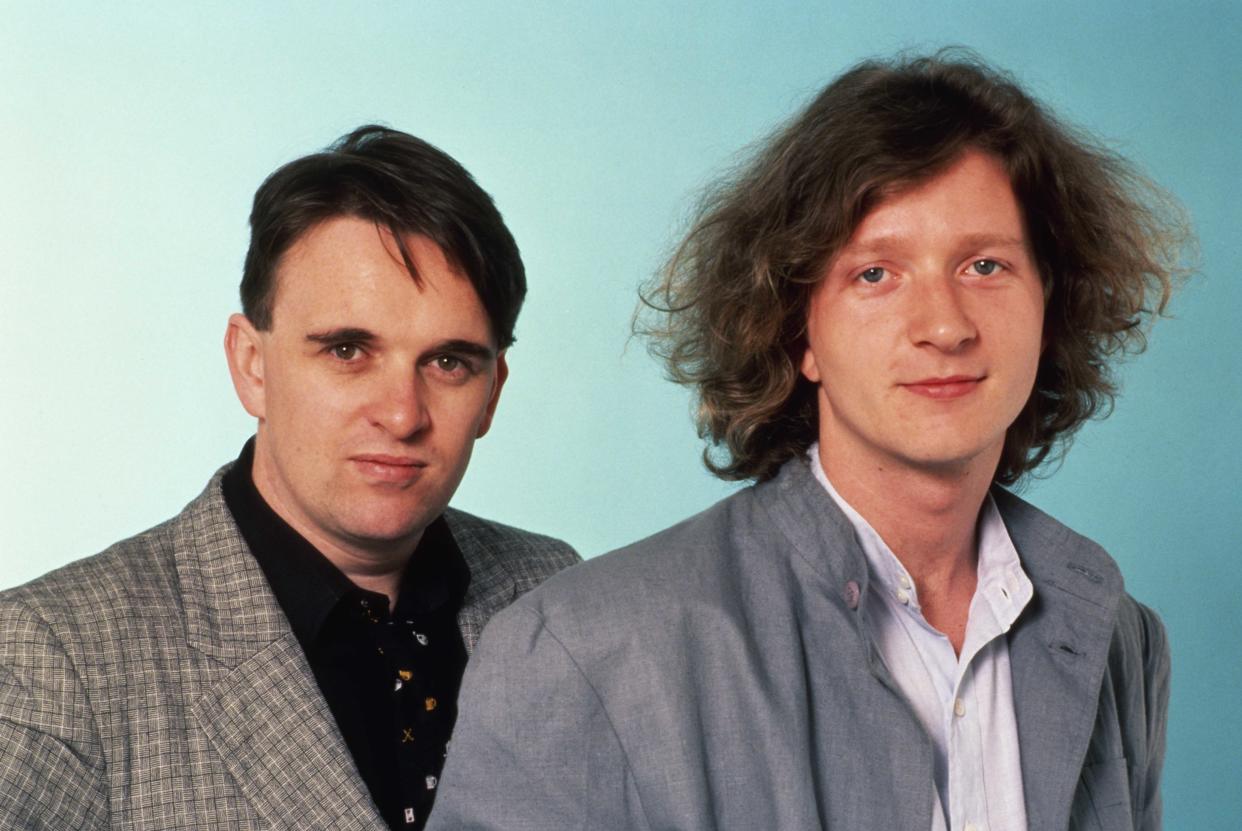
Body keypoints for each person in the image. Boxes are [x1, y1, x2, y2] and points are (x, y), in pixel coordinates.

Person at [427, 53, 1188, 830]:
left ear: (1049, 308)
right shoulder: (584, 654)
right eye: (875, 275)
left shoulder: (1116, 637)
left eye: (985, 264)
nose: (945, 325)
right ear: (799, 331)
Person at [0, 125, 578, 831]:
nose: (402, 414)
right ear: (252, 364)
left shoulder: (558, 595)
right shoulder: (50, 659)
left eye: (448, 362)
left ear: (492, 392)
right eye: (347, 349)